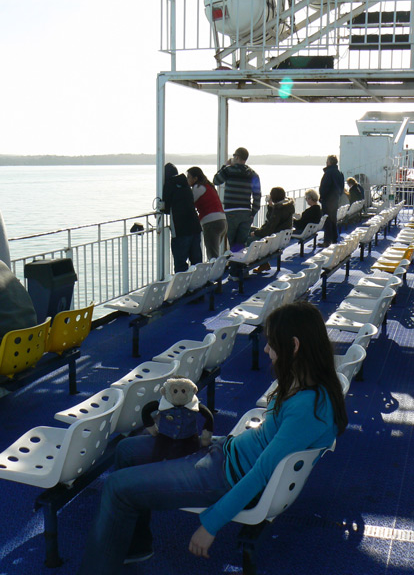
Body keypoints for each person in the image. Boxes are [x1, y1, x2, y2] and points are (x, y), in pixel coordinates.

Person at [77, 301, 348, 575]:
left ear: (294, 346)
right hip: (224, 451)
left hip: (223, 476)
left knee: (116, 486)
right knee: (126, 450)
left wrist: (210, 525)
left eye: (271, 343)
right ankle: (134, 546)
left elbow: (261, 473)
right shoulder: (310, 384)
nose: (266, 349)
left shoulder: (307, 409)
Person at [213, 147, 261, 252]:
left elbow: (216, 180)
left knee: (232, 242)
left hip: (231, 211)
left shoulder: (228, 170)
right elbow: (257, 195)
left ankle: (235, 265)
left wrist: (225, 166)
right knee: (241, 243)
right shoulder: (253, 174)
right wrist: (253, 212)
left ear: (237, 157)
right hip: (246, 212)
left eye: (234, 156)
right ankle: (240, 264)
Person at [161, 163, 202, 273]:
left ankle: (182, 288)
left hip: (180, 229)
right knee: (196, 260)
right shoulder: (184, 183)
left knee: (180, 263)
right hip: (195, 226)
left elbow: (166, 207)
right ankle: (198, 283)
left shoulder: (169, 185)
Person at [248, 187, 295, 273]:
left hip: (273, 238)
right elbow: (272, 220)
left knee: (248, 239)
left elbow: (269, 229)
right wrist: (270, 207)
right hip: (278, 237)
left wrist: (255, 233)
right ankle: (264, 264)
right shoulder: (287, 206)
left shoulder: (278, 209)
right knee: (250, 229)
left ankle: (247, 263)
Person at [186, 166, 228, 260]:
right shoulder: (209, 186)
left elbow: (189, 202)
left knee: (213, 255)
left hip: (211, 223)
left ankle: (214, 273)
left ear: (195, 178)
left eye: (188, 177)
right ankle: (218, 270)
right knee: (215, 251)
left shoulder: (197, 188)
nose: (187, 179)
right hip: (222, 220)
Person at [319, 155, 344, 247]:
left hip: (328, 201)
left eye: (327, 161)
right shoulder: (339, 173)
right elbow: (341, 188)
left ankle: (327, 241)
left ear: (330, 162)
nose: (326, 162)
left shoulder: (328, 173)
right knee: (333, 219)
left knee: (327, 221)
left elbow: (325, 187)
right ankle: (334, 238)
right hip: (335, 200)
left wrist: (322, 197)